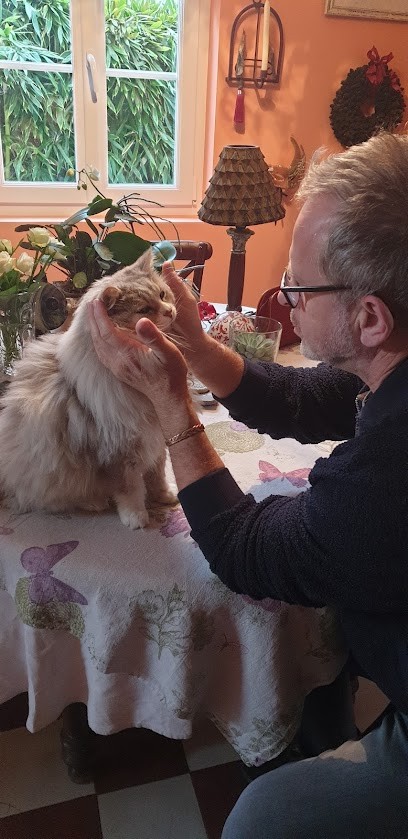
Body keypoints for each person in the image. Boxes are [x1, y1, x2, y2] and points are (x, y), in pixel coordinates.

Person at [88, 131, 408, 838]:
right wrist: (200, 352)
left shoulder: (389, 471)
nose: (286, 298)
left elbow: (243, 550)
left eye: (298, 285)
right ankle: (321, 716)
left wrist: (176, 410)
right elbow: (304, 397)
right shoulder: (390, 362)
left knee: (257, 822)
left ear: (370, 316)